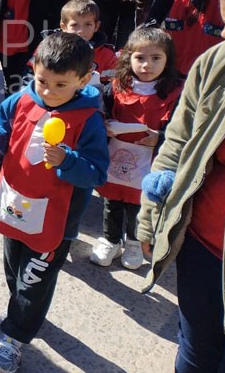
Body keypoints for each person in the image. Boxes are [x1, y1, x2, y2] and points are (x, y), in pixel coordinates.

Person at [0, 32, 109, 373]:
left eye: (60, 85)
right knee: (14, 268)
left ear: (83, 78)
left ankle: (15, 337)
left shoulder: (88, 119)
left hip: (54, 221)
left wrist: (67, 161)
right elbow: (7, 134)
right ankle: (25, 313)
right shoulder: (20, 100)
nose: (48, 92)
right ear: (33, 69)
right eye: (42, 80)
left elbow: (96, 174)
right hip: (14, 204)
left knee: (34, 279)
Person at [137, 0, 225, 373]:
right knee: (196, 352)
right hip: (202, 247)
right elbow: (176, 143)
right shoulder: (216, 63)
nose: (223, 35)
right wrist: (152, 217)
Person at [90, 28, 181, 270]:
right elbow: (100, 108)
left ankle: (133, 241)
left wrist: (159, 138)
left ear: (167, 60)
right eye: (140, 58)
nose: (147, 65)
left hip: (149, 161)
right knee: (112, 201)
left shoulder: (175, 93)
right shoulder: (117, 86)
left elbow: (183, 130)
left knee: (139, 205)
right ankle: (110, 239)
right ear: (128, 58)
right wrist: (104, 123)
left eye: (155, 58)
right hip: (116, 155)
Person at [59, 0, 118, 87]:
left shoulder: (107, 56)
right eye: (74, 25)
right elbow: (33, 77)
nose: (81, 31)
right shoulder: (50, 48)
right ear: (63, 26)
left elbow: (112, 87)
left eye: (88, 24)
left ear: (96, 26)